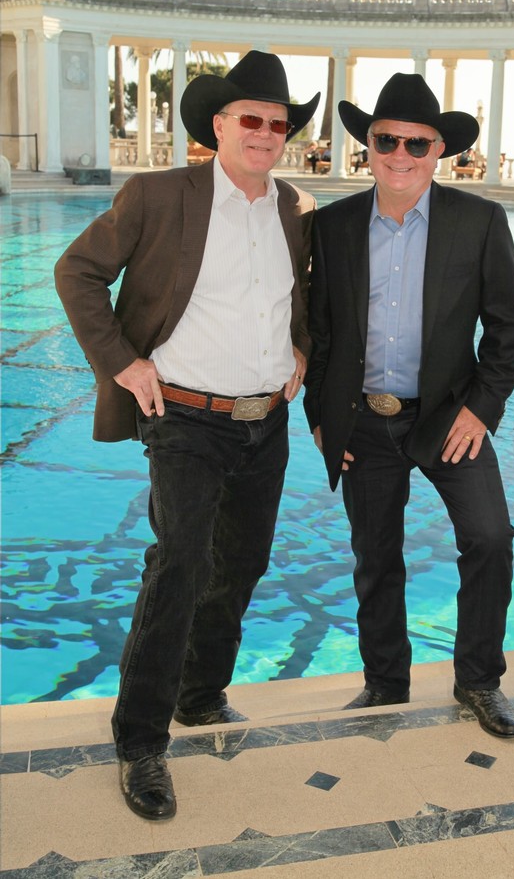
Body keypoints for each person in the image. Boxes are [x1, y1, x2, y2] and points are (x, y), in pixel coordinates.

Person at [54, 51, 320, 821]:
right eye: (252, 120)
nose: (266, 134)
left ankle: (201, 695)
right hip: (185, 417)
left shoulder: (297, 209)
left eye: (278, 124)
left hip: (265, 420)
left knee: (241, 562)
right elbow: (77, 272)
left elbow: (302, 301)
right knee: (179, 564)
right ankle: (140, 741)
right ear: (220, 125)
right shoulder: (160, 195)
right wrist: (122, 363)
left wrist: (301, 350)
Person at [304, 74, 514, 739]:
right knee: (376, 556)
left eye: (417, 142)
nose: (400, 154)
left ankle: (479, 681)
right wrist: (321, 417)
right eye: (387, 140)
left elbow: (509, 326)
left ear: (439, 151)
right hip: (362, 420)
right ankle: (385, 684)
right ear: (368, 146)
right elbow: (318, 333)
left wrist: (481, 409)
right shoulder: (332, 226)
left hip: (450, 417)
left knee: (490, 537)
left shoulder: (479, 221)